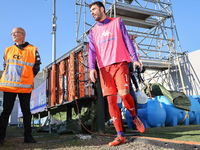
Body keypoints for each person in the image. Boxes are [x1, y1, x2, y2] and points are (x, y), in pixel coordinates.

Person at [88, 1, 145, 146]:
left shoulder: (117, 22)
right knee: (111, 101)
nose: (92, 12)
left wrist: (135, 59)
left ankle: (134, 116)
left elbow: (127, 41)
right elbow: (91, 51)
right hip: (104, 69)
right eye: (90, 11)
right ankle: (120, 135)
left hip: (120, 63)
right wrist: (91, 68)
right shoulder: (93, 31)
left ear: (102, 9)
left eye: (94, 9)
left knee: (125, 94)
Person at [0, 27, 41, 146]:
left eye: (15, 33)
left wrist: (27, 77)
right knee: (6, 112)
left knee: (26, 112)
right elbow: (5, 67)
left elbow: (36, 67)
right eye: (11, 33)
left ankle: (28, 137)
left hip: (24, 87)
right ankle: (1, 138)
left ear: (23, 35)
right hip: (10, 87)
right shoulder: (8, 50)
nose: (12, 35)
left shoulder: (33, 50)